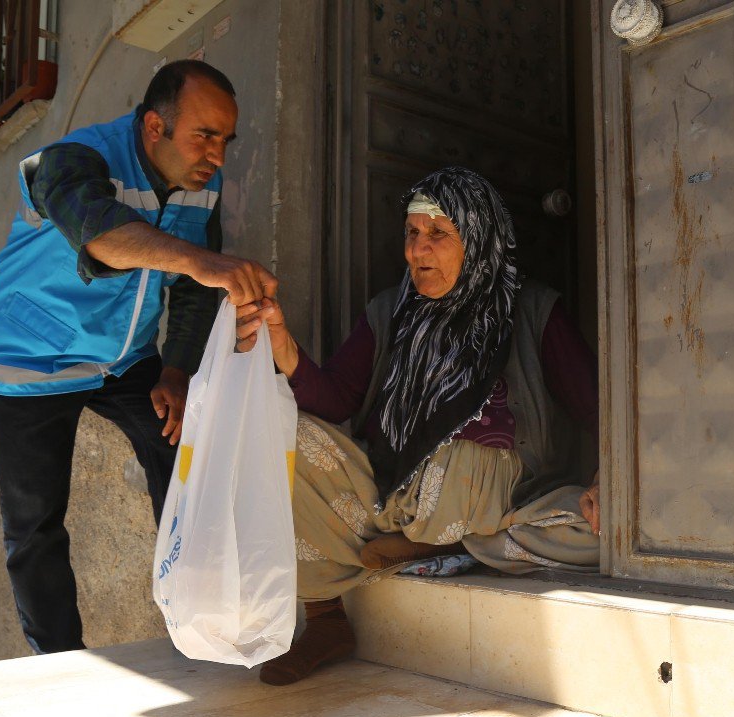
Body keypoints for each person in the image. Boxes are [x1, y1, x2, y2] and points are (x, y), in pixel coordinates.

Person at [236, 166, 601, 686]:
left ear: (477, 241)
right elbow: (337, 397)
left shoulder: (535, 310)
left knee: (606, 529)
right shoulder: (392, 310)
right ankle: (326, 618)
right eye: (411, 233)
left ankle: (452, 544)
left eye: (437, 234)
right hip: (389, 491)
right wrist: (283, 347)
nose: (417, 250)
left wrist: (607, 475)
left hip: (506, 497)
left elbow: (594, 405)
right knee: (281, 437)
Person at [0, 60, 276, 654]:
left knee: (183, 453)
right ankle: (57, 662)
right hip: (29, 359)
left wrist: (176, 370)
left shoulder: (199, 182)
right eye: (205, 135)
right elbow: (103, 236)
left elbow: (190, 290)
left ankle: (196, 614)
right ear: (155, 126)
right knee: (34, 528)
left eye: (225, 140)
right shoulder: (70, 161)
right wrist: (202, 261)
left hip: (121, 359)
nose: (217, 155)